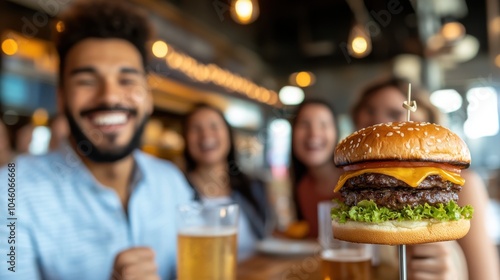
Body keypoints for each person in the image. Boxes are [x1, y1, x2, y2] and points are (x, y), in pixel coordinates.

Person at [0, 1, 193, 279]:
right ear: (61, 98)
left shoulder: (171, 183)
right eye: (87, 81)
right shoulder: (12, 191)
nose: (110, 97)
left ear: (148, 98)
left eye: (126, 80)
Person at [351, 77, 500, 280]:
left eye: (395, 114)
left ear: (425, 120)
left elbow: (487, 276)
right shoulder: (354, 189)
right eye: (370, 111)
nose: (380, 123)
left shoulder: (461, 185)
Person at [182, 103, 270, 261]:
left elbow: (269, 237)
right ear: (186, 139)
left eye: (214, 126)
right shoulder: (176, 188)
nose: (206, 135)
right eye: (196, 129)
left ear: (229, 135)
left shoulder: (253, 186)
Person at [290, 99, 343, 238]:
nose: (313, 133)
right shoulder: (301, 187)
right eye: (304, 124)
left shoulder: (357, 182)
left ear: (336, 134)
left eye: (324, 124)